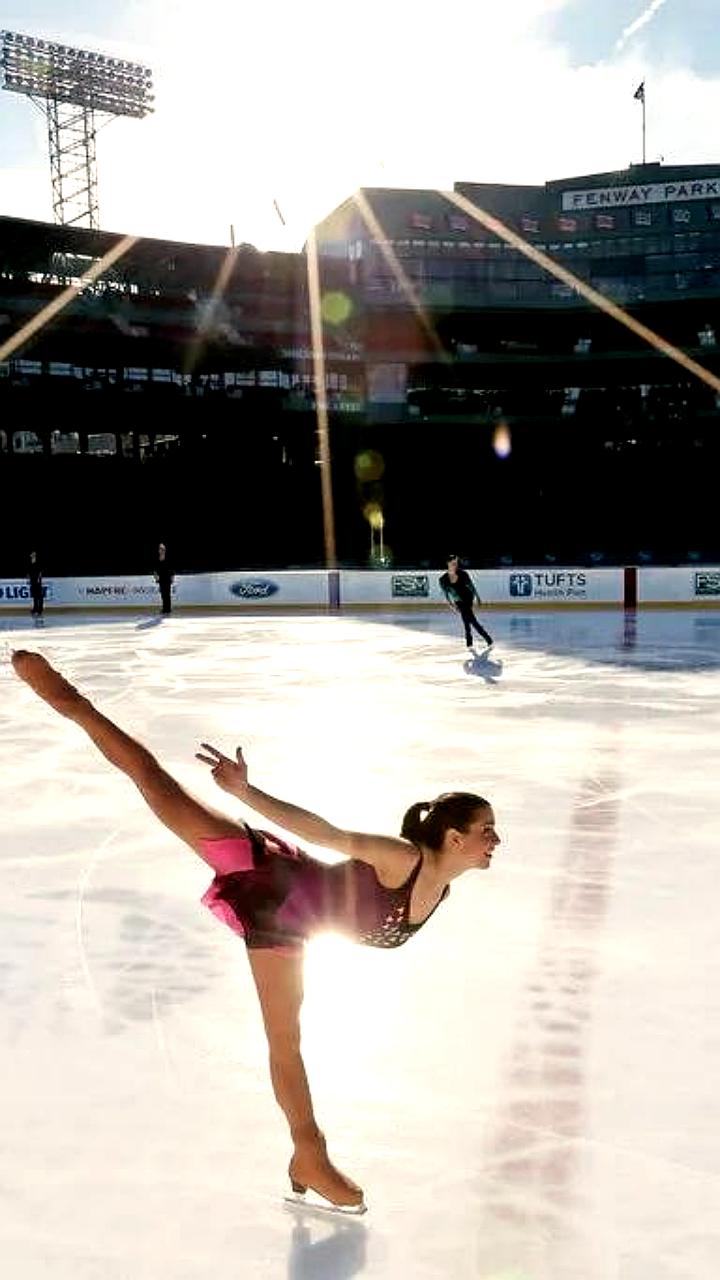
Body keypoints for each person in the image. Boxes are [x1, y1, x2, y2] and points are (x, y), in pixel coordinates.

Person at [10, 650, 500, 1214]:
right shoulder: (403, 859)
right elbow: (326, 833)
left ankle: (307, 1154)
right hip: (270, 885)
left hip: (296, 921)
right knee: (153, 780)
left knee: (285, 1038)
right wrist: (245, 793)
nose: (496, 840)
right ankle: (63, 695)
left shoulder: (441, 888)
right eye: (487, 829)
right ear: (455, 838)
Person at [439, 554, 493, 651]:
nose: (455, 565)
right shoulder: (443, 579)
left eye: (456, 563)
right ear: (448, 563)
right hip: (458, 601)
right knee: (467, 620)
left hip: (468, 598)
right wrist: (451, 604)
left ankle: (485, 640)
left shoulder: (463, 574)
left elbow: (471, 586)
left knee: (471, 620)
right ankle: (480, 641)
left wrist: (477, 597)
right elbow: (446, 594)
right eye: (453, 563)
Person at [154, 543, 174, 615]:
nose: (161, 550)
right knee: (163, 594)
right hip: (161, 578)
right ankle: (164, 608)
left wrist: (172, 577)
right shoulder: (157, 559)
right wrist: (156, 577)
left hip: (167, 578)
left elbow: (171, 569)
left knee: (167, 594)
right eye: (160, 549)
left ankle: (168, 609)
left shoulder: (168, 558)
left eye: (162, 549)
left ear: (164, 550)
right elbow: (155, 570)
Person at [28, 551, 44, 621]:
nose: (32, 557)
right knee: (35, 596)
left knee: (39, 596)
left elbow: (40, 572)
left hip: (37, 581)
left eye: (33, 556)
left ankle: (40, 610)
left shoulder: (38, 563)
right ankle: (35, 609)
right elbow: (30, 572)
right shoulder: (31, 563)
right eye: (31, 556)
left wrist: (38, 579)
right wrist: (29, 578)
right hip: (33, 581)